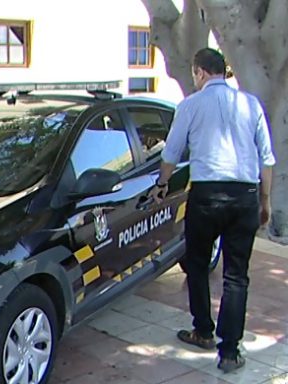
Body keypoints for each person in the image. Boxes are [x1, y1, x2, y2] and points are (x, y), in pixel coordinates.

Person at [148, 48, 275, 373]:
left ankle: (203, 330)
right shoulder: (250, 104)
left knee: (198, 265)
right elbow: (267, 159)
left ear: (200, 72)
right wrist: (265, 201)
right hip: (244, 196)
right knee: (236, 275)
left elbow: (172, 152)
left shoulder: (190, 105)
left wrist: (162, 185)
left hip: (206, 196)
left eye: (194, 74)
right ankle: (230, 352)